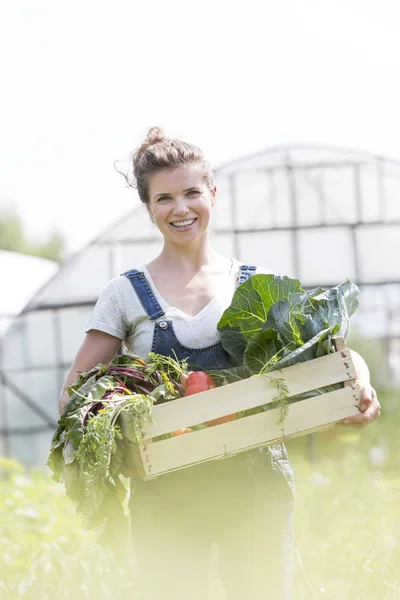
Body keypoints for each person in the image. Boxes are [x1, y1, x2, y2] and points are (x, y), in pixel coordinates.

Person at [58, 127, 381, 600]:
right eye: (164, 198)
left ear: (213, 192)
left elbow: (331, 350)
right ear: (149, 208)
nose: (181, 208)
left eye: (192, 192)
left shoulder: (259, 284)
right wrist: (115, 443)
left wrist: (362, 384)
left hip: (257, 488)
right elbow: (75, 393)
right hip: (165, 493)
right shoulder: (124, 294)